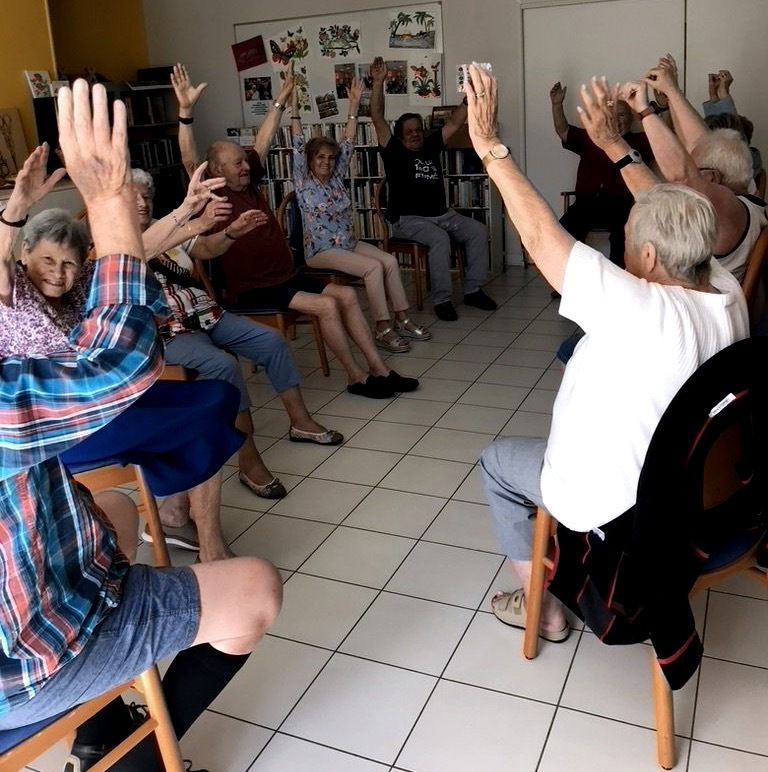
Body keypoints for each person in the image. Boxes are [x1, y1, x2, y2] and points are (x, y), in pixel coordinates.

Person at [0, 80, 282, 770]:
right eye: (48, 261)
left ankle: (102, 724)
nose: (61, 271)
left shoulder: (57, 289)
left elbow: (127, 269)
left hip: (64, 449)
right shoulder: (17, 302)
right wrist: (105, 203)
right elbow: (122, 361)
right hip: (26, 663)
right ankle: (140, 756)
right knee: (256, 590)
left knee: (125, 504)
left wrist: (176, 219)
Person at [465, 67, 748, 641]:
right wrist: (616, 146)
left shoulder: (638, 309)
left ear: (645, 253)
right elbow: (675, 212)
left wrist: (489, 146)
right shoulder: (726, 288)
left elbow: (543, 237)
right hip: (698, 501)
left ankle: (540, 609)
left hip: (624, 517)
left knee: (497, 463)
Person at [0, 149, 243, 563]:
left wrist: (185, 211)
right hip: (60, 434)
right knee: (203, 419)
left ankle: (173, 512)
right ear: (24, 257)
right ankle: (201, 536)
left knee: (218, 396)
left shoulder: (79, 286)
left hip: (111, 406)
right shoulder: (13, 294)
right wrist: (16, 209)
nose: (59, 273)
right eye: (46, 260)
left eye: (69, 264)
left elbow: (137, 251)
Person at [171, 63, 417, 399]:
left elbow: (263, 140)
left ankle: (380, 369)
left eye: (245, 162)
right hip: (253, 288)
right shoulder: (210, 191)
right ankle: (356, 378)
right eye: (237, 163)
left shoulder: (249, 182)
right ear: (215, 169)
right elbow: (188, 157)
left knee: (345, 295)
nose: (246, 166)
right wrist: (185, 113)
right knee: (327, 305)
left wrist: (280, 101)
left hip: (284, 275)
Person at [131, 166, 344, 502]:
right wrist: (191, 220)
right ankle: (249, 459)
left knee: (271, 341)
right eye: (133, 197)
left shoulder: (171, 234)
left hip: (207, 314)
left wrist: (231, 231)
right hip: (167, 333)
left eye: (145, 195)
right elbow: (135, 254)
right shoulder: (114, 244)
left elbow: (207, 248)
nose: (141, 202)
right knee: (222, 365)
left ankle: (300, 421)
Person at [290, 76, 431, 353]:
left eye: (330, 158)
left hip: (347, 243)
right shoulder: (302, 180)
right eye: (320, 157)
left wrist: (354, 105)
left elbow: (348, 141)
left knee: (388, 261)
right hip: (321, 250)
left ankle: (401, 318)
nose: (326, 162)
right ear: (309, 160)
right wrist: (294, 108)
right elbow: (296, 142)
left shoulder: (336, 176)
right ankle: (382, 328)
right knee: (372, 268)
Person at [369, 55, 496, 322]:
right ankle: (442, 299)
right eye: (410, 131)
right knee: (439, 239)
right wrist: (378, 82)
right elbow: (377, 117)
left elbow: (455, 123)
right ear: (400, 135)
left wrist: (468, 99)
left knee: (477, 230)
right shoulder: (392, 152)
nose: (415, 134)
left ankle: (472, 290)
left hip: (443, 215)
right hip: (409, 220)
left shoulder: (430, 145)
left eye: (418, 129)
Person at [624, 54, 767, 281]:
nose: (691, 167)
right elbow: (699, 142)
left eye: (695, 168)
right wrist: (672, 91)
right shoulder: (745, 191)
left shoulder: (726, 211)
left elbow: (682, 176)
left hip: (703, 310)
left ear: (711, 177)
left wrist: (640, 115)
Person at [549, 80, 653, 267]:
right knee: (562, 232)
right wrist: (557, 105)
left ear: (631, 119)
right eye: (611, 116)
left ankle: (620, 281)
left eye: (621, 115)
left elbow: (666, 137)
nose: (616, 120)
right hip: (587, 202)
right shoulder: (592, 137)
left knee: (624, 236)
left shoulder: (641, 141)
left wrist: (660, 107)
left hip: (622, 204)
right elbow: (563, 131)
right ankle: (565, 280)